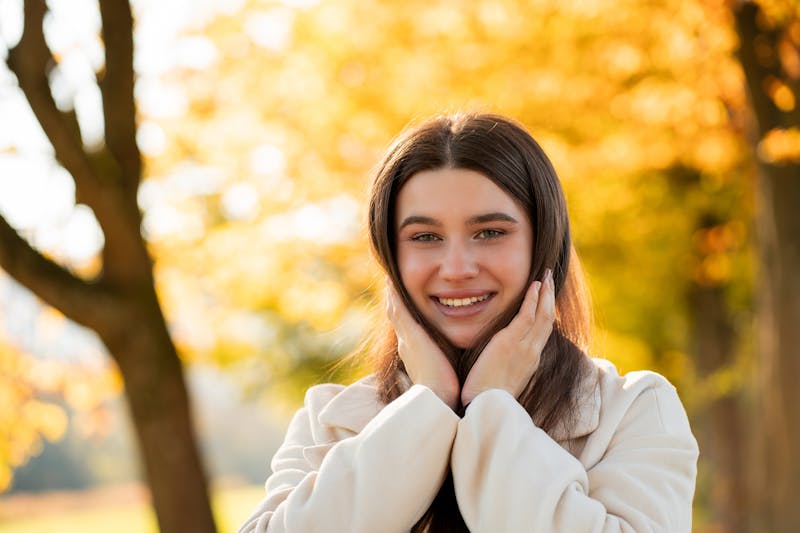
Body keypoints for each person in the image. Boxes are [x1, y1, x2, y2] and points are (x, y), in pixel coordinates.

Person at [239, 113, 699, 532]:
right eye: (425, 237)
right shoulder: (331, 419)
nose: (457, 267)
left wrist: (492, 409)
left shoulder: (634, 412)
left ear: (544, 246)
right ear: (391, 258)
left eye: (490, 232)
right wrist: (428, 405)